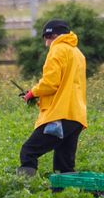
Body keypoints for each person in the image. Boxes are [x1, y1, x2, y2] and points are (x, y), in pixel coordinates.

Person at [17, 19, 87, 176]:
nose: (46, 44)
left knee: (29, 151)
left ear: (51, 36)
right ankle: (73, 197)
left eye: (46, 39)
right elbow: (65, 86)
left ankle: (23, 192)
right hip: (76, 117)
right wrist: (37, 95)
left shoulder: (57, 50)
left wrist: (32, 93)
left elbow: (50, 84)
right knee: (64, 167)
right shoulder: (77, 53)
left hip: (60, 116)